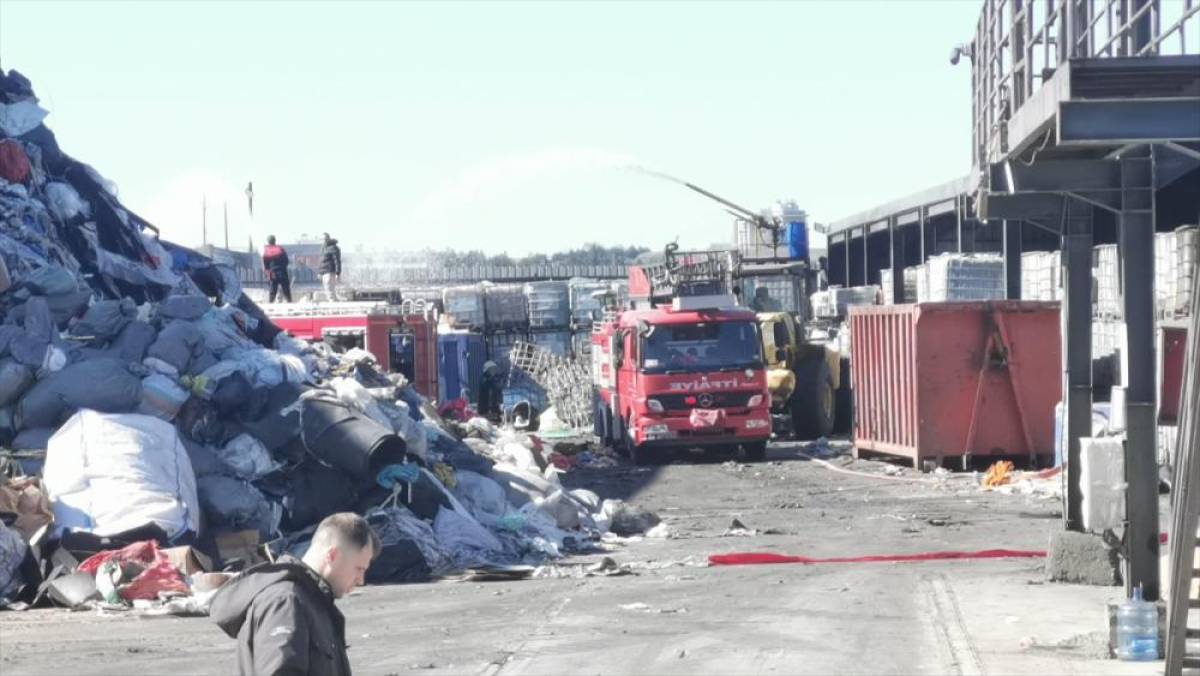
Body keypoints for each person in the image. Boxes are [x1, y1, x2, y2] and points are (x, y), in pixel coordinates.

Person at [210, 513, 379, 676]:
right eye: (359, 569)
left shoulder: (313, 602)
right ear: (332, 555)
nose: (361, 580)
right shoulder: (285, 601)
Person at [262, 235, 292, 303]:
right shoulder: (281, 249)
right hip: (282, 272)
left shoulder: (266, 251)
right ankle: (289, 302)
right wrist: (283, 267)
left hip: (272, 273)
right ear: (275, 241)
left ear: (268, 242)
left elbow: (265, 264)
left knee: (273, 290)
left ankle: (270, 303)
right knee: (286, 289)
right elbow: (286, 261)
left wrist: (267, 271)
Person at [320, 233, 342, 302]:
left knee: (329, 290)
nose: (323, 240)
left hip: (330, 272)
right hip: (324, 272)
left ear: (328, 239)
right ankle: (335, 304)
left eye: (325, 239)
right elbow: (322, 262)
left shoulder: (333, 248)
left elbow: (337, 261)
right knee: (328, 291)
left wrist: (338, 273)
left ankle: (333, 305)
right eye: (322, 239)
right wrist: (320, 273)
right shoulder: (324, 248)